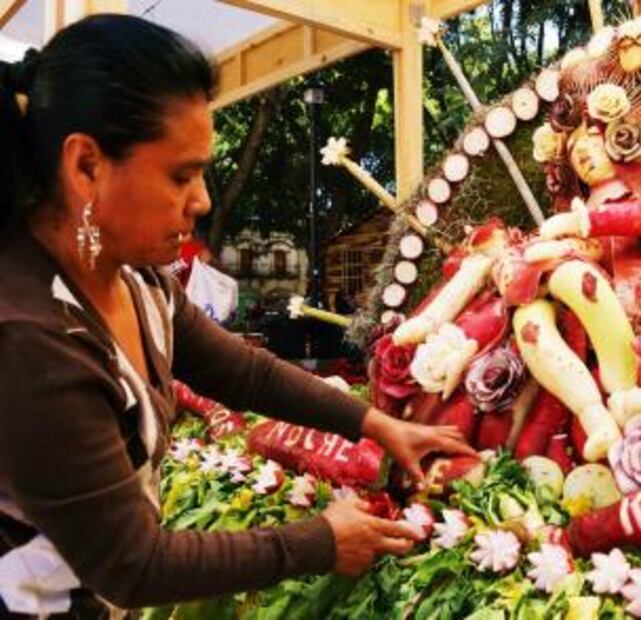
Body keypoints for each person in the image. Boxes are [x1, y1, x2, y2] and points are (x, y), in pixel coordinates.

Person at [0, 15, 474, 617]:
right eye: (181, 175)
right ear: (86, 165)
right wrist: (319, 542)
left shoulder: (140, 282)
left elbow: (247, 374)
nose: (201, 200)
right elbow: (131, 564)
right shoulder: (30, 337)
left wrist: (377, 425)